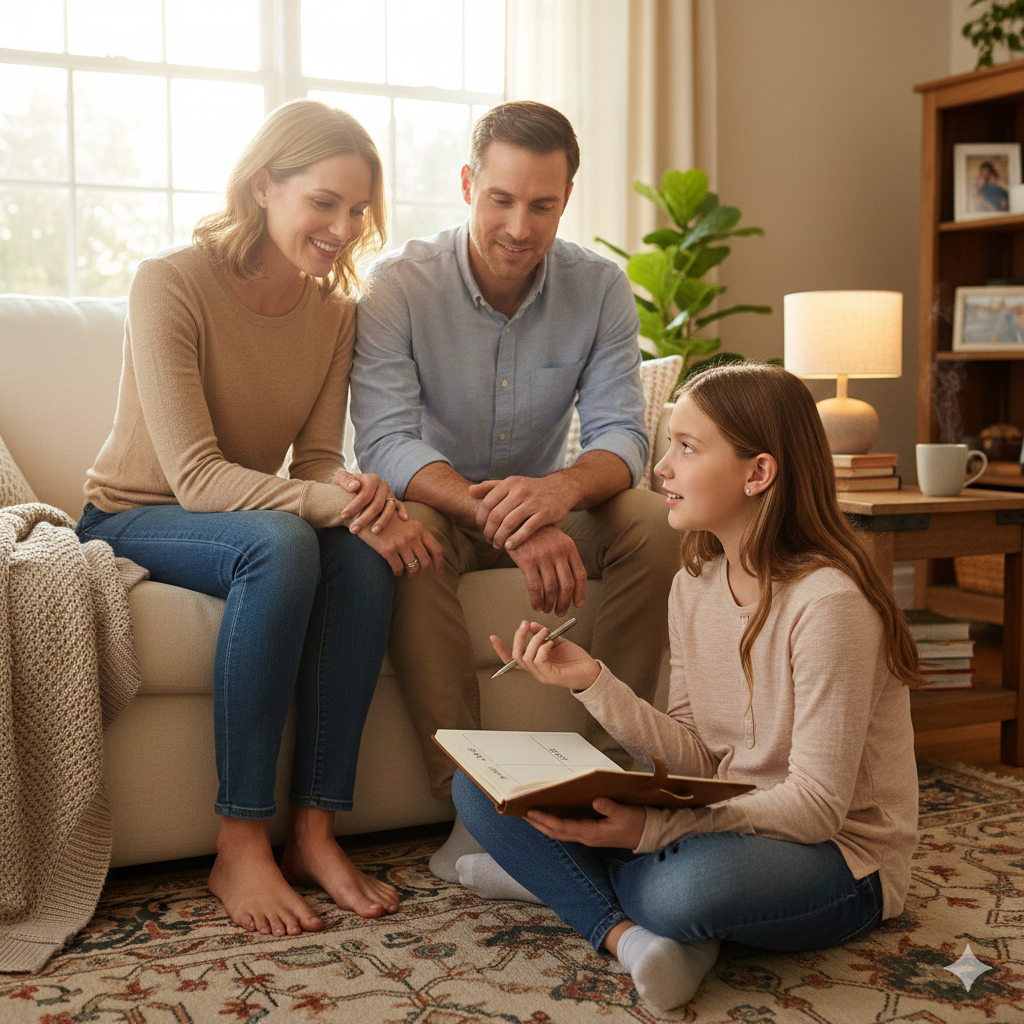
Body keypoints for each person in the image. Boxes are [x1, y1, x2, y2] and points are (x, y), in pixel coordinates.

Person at [75, 99, 443, 938]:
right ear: (263, 185)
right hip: (132, 517)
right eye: (325, 202)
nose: (344, 226)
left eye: (358, 210)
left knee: (357, 555)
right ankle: (239, 841)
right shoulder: (170, 282)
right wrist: (342, 506)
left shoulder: (335, 315)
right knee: (283, 545)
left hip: (238, 516)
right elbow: (198, 479)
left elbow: (313, 461)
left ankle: (314, 832)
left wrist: (356, 500)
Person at [452, 363, 922, 1012]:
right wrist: (591, 680)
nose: (662, 469)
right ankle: (634, 940)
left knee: (683, 892)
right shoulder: (695, 584)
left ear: (758, 473)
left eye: (687, 447)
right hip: (728, 821)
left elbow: (816, 808)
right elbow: (696, 757)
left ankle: (561, 883)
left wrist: (653, 831)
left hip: (839, 858)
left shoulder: (829, 602)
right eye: (670, 444)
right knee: (476, 783)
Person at [350, 99, 680, 880]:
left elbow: (622, 437)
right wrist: (511, 519)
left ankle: (611, 784)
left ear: (567, 199)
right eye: (501, 199)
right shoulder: (399, 285)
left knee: (654, 523)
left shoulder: (600, 289)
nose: (519, 227)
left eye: (543, 205)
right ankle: (471, 808)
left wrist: (557, 496)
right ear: (468, 185)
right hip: (442, 500)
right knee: (414, 537)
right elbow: (387, 440)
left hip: (543, 498)